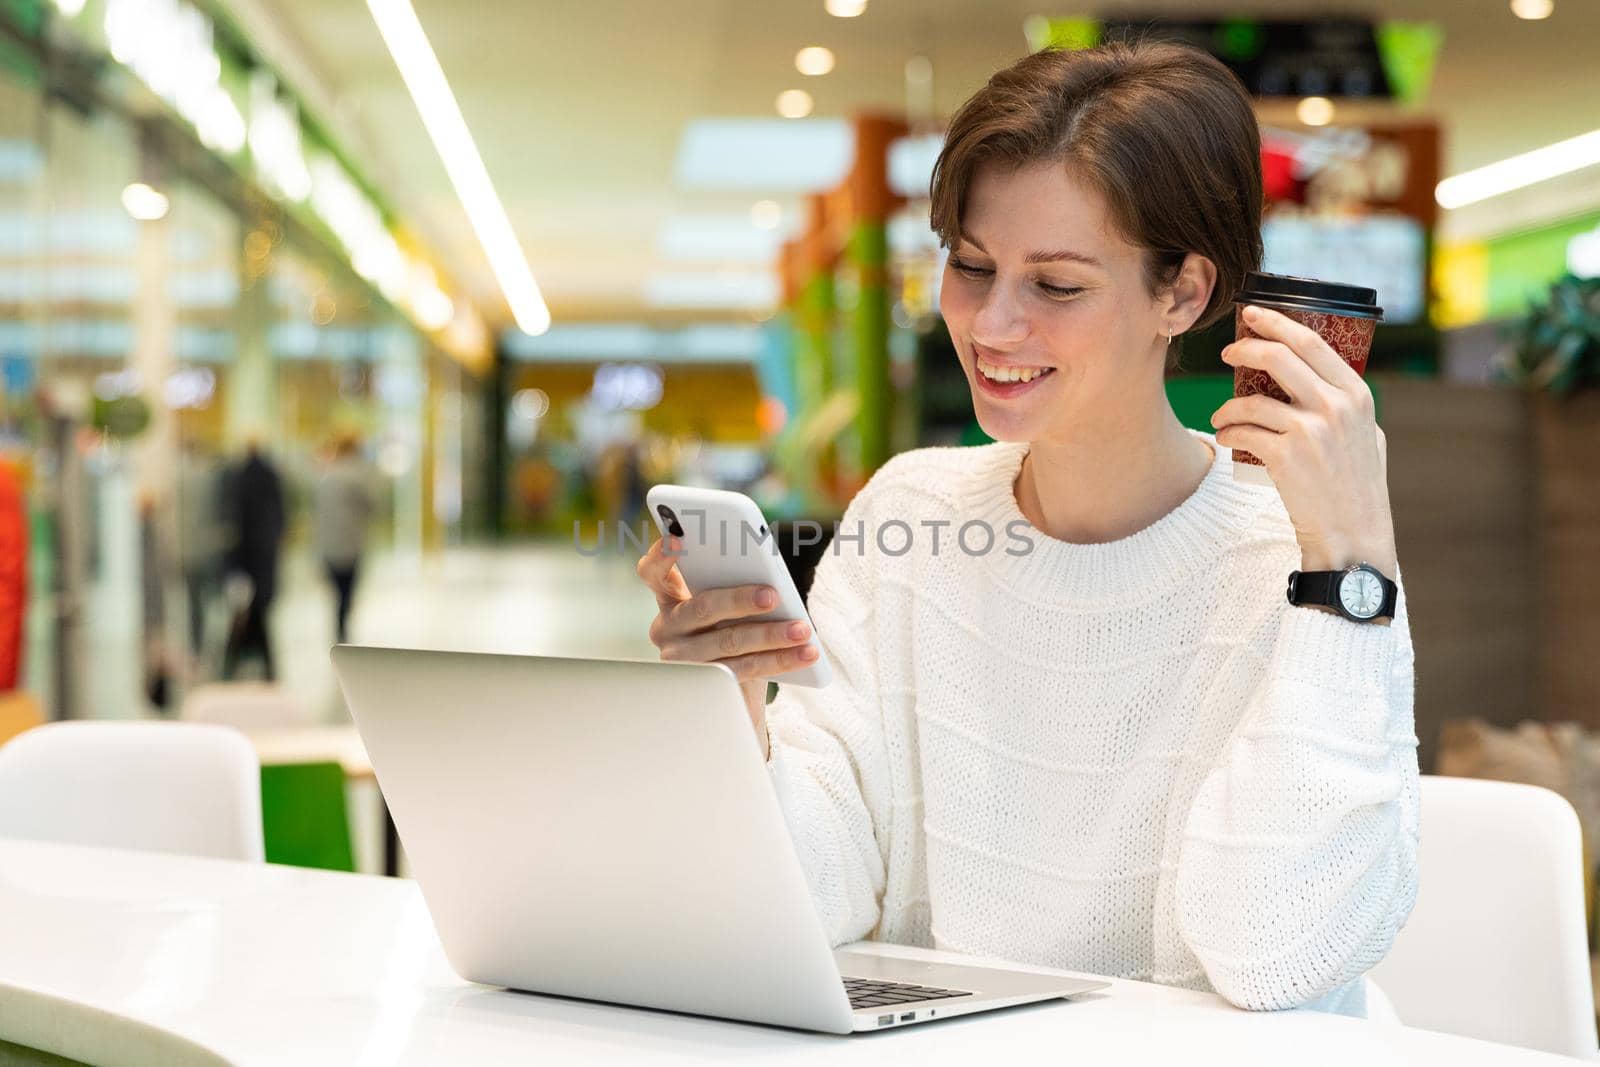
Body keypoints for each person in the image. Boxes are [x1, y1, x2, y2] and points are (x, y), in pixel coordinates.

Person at [636, 41, 1416, 1016]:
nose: (991, 324)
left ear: (1180, 292)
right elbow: (817, 897)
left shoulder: (1307, 557)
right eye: (971, 266)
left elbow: (1279, 959)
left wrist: (1348, 570)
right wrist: (736, 711)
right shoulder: (910, 511)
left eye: (1055, 285)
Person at [221, 440, 286, 680]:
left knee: (248, 616)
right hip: (263, 559)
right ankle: (264, 668)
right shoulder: (268, 476)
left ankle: (235, 668)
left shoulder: (238, 478)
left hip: (249, 559)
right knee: (258, 616)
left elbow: (233, 523)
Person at [314, 434, 374, 644]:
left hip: (330, 545)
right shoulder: (358, 476)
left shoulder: (327, 477)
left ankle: (339, 630)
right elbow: (371, 505)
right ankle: (343, 630)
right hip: (351, 544)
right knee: (347, 593)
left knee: (338, 594)